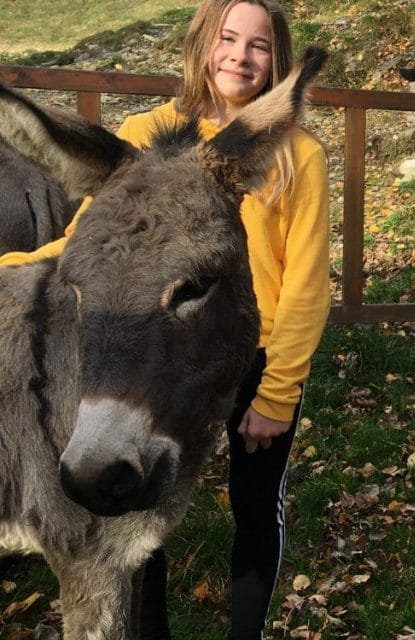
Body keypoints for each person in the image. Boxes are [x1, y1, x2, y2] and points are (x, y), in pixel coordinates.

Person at [0, 1, 330, 637]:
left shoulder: (293, 153)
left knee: (256, 506)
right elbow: (91, 240)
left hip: (257, 356)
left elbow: (307, 285)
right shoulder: (148, 128)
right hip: (160, 355)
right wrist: (12, 265)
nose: (241, 56)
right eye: (228, 39)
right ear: (203, 46)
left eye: (258, 45)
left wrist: (278, 392)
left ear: (277, 59)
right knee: (139, 515)